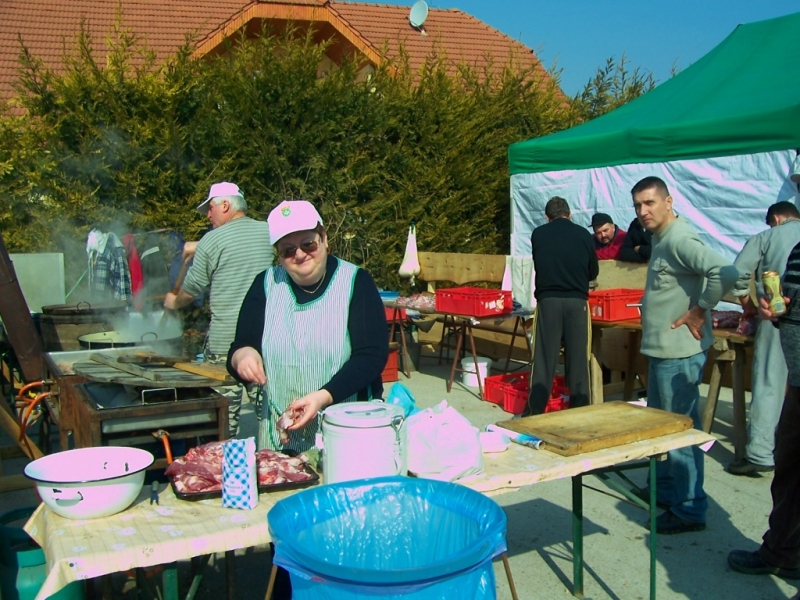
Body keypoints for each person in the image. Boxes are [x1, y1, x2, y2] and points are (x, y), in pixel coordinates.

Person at [226, 199, 388, 452]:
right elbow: (241, 344)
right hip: (281, 435)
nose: (299, 254)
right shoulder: (265, 284)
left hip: (345, 430)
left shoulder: (356, 281)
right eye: (288, 250)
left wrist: (323, 396)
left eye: (308, 244)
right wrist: (242, 356)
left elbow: (371, 356)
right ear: (279, 255)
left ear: (324, 238)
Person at [633, 175, 741, 534]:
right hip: (663, 352)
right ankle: (665, 490)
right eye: (638, 205)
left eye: (650, 203)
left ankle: (691, 509)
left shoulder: (679, 238)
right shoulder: (659, 238)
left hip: (679, 355)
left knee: (681, 433)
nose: (643, 211)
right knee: (663, 429)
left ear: (668, 202)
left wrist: (700, 309)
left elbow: (724, 271)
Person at [164, 182, 273, 437]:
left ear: (226, 205)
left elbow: (191, 291)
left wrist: (174, 302)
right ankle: (281, 462)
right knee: (270, 414)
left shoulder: (211, 241)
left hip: (225, 347)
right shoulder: (270, 232)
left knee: (224, 424)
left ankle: (228, 470)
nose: (208, 215)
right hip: (264, 342)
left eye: (210, 208)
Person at [728, 240, 800, 580]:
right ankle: (783, 553)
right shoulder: (798, 249)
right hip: (798, 381)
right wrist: (777, 315)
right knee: (788, 471)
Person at [727, 201, 800, 476]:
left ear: (777, 219)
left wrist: (747, 303)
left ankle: (760, 453)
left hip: (778, 312)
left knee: (770, 379)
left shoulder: (767, 237)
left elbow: (737, 273)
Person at [525, 196, 598, 415]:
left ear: (547, 217)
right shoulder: (584, 234)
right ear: (570, 214)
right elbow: (593, 270)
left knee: (544, 358)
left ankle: (535, 410)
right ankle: (580, 411)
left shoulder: (539, 234)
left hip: (549, 301)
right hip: (577, 302)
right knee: (578, 358)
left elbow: (540, 263)